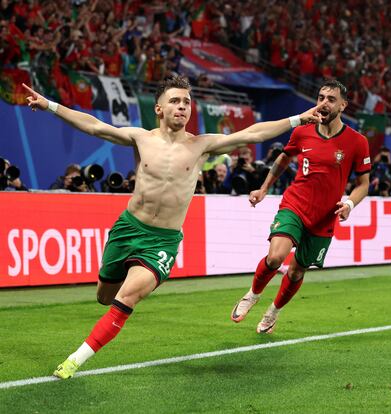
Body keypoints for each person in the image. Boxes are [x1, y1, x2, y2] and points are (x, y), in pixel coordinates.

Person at [23, 76, 322, 379]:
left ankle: (74, 360)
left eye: (187, 102)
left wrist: (297, 118)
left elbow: (254, 133)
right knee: (104, 296)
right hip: (127, 229)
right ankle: (104, 307)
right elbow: (95, 126)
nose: (182, 107)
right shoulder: (141, 138)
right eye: (176, 101)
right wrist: (49, 105)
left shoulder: (201, 145)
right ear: (159, 108)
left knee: (126, 298)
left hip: (162, 242)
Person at [231, 79, 371, 334]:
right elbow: (284, 158)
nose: (323, 103)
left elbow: (364, 183)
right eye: (320, 98)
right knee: (275, 257)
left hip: (325, 217)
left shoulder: (357, 141)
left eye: (330, 99)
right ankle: (252, 294)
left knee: (296, 272)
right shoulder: (302, 131)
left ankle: (273, 311)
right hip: (295, 205)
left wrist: (350, 203)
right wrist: (263, 188)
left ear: (343, 105)